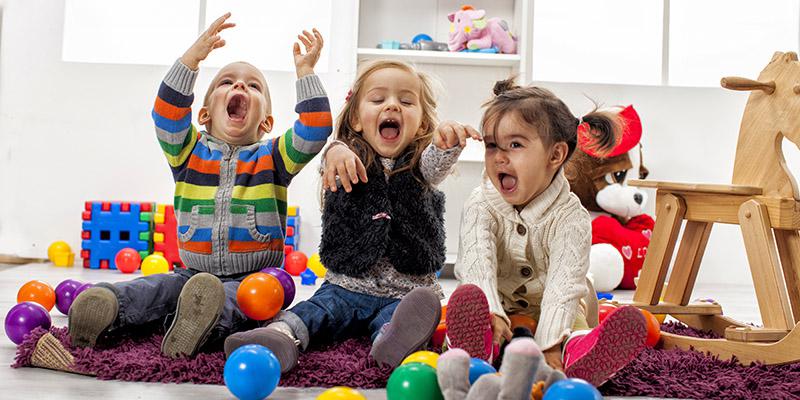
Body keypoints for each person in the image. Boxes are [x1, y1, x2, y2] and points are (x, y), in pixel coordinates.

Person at [68, 13, 332, 358]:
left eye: (253, 86)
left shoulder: (274, 157)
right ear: (204, 114)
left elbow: (315, 129)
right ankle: (109, 306)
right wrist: (192, 59)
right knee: (157, 288)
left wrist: (306, 73)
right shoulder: (186, 151)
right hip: (191, 272)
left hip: (256, 276)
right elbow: (166, 112)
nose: (240, 87)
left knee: (246, 301)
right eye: (227, 82)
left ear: (266, 121)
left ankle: (198, 325)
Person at [224, 59, 481, 373]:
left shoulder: (420, 167)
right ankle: (279, 336)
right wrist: (335, 149)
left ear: (423, 125)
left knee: (398, 321)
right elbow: (331, 164)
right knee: (314, 311)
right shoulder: (346, 158)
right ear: (358, 119)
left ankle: (391, 342)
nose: (393, 107)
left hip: (405, 293)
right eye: (378, 99)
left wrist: (446, 143)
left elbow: (435, 164)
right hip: (345, 286)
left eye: (406, 101)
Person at [447, 78, 647, 386]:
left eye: (515, 145)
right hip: (500, 301)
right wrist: (492, 311)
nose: (499, 157)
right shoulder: (481, 204)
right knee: (472, 299)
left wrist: (550, 345)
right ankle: (478, 347)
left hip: (556, 307)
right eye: (491, 145)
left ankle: (577, 353)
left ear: (555, 156)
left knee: (573, 322)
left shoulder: (571, 217)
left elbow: (564, 287)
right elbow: (476, 263)